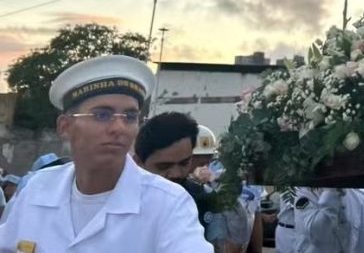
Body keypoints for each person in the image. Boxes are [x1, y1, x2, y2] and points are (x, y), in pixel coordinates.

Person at [0, 54, 212, 252]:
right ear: (65, 126)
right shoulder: (37, 190)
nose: (119, 127)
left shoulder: (167, 203)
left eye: (129, 116)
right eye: (102, 115)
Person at [134, 111, 216, 237]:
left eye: (184, 163)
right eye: (164, 166)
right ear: (138, 162)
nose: (176, 174)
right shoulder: (118, 205)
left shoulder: (203, 199)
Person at [293, 187, 364, 253]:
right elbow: (317, 233)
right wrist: (331, 193)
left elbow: (362, 245)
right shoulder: (305, 193)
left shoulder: (357, 197)